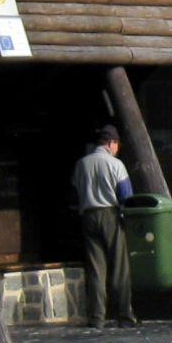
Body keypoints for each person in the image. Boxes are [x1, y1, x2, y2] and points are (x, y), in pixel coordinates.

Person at [72, 124, 135, 328]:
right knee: (119, 267)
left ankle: (97, 317)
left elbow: (74, 189)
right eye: (117, 144)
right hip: (111, 214)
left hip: (88, 215)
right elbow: (126, 195)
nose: (118, 148)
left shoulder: (82, 164)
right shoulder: (116, 164)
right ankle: (124, 315)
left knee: (96, 268)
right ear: (111, 143)